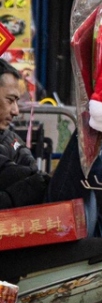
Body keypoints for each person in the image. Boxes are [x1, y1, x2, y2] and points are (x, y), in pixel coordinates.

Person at [0, 59, 46, 210]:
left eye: (16, 102)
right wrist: (34, 184)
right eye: (10, 100)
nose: (16, 111)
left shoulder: (11, 139)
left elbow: (31, 171)